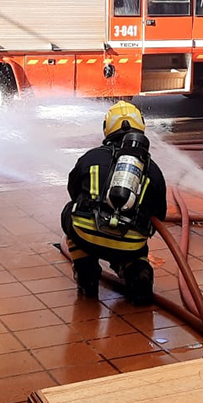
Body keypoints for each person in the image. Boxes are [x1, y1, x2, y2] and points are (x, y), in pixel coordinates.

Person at [61, 101, 168, 305]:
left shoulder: (91, 156)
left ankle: (86, 272)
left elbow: (73, 192)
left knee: (69, 212)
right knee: (135, 248)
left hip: (87, 233)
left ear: (107, 128)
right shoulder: (152, 169)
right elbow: (159, 215)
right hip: (129, 243)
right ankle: (136, 271)